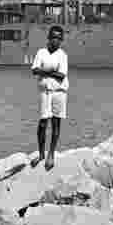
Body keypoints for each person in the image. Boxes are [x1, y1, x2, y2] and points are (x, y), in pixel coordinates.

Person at [31, 25, 69, 170]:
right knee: (42, 123)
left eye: (59, 38)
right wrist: (52, 71)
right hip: (45, 91)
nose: (56, 40)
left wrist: (44, 71)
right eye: (53, 37)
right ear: (48, 38)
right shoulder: (41, 52)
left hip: (59, 92)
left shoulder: (63, 55)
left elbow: (62, 75)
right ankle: (41, 154)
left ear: (62, 40)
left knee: (56, 123)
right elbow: (34, 70)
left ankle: (51, 154)